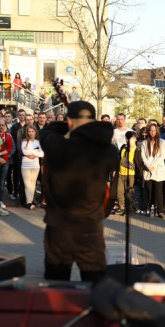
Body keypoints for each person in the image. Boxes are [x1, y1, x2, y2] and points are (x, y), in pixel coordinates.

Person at [40, 101, 119, 282]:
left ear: (69, 122)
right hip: (90, 228)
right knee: (95, 285)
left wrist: (60, 125)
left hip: (59, 227)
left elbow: (45, 133)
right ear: (93, 122)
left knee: (56, 284)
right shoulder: (107, 152)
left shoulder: (56, 146)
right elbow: (103, 136)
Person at [142, 123, 165, 218]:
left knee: (158, 190)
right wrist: (148, 165)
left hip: (158, 169)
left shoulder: (162, 142)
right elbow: (143, 156)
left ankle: (160, 210)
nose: (152, 132)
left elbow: (162, 156)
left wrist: (153, 165)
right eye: (151, 130)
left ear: (156, 131)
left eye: (154, 130)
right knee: (150, 190)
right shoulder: (145, 142)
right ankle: (151, 207)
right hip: (148, 169)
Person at [20, 125, 44, 210]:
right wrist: (35, 151)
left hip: (35, 165)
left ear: (35, 132)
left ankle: (30, 201)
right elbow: (25, 152)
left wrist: (33, 153)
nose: (31, 133)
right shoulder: (24, 141)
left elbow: (42, 154)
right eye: (29, 131)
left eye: (32, 131)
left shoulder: (38, 142)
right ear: (27, 133)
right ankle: (29, 202)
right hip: (25, 165)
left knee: (33, 184)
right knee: (27, 185)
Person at [116, 130, 137, 214]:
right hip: (121, 173)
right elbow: (119, 159)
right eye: (127, 138)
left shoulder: (137, 149)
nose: (128, 140)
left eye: (130, 138)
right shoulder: (123, 147)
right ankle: (122, 207)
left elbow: (138, 162)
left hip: (131, 174)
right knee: (119, 192)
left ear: (135, 139)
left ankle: (129, 208)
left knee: (129, 193)